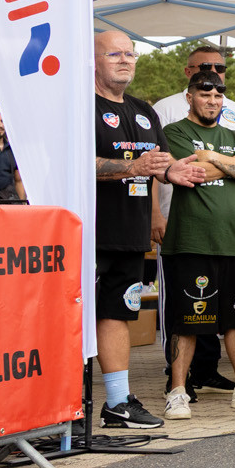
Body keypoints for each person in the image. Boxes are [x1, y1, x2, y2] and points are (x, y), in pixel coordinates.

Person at [93, 30, 207, 431]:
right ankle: (62, 403)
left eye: (130, 54)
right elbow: (76, 162)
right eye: (114, 54)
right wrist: (131, 167)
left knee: (116, 314)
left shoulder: (144, 110)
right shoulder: (79, 106)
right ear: (93, 60)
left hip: (130, 233)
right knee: (75, 317)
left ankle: (117, 403)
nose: (125, 60)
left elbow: (159, 161)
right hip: (87, 234)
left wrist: (174, 171)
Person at [158, 75, 235, 417]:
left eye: (217, 95)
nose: (212, 100)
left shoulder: (234, 135)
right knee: (186, 320)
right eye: (204, 94)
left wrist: (213, 157)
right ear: (190, 97)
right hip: (191, 241)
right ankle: (177, 391)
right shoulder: (174, 132)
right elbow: (192, 172)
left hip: (234, 241)